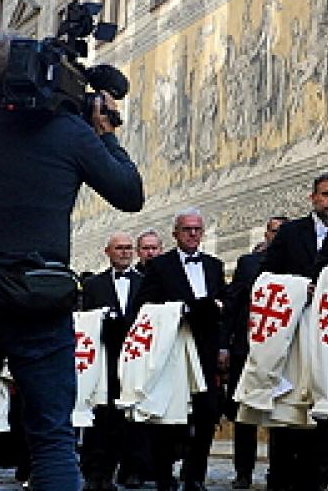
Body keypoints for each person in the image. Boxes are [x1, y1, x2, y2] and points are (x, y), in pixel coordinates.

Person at [0, 36, 144, 491]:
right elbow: (129, 192)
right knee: (51, 437)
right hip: (36, 290)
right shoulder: (70, 133)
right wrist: (105, 135)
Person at [263, 176, 328, 490]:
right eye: (326, 195)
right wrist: (300, 289)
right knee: (290, 409)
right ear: (313, 198)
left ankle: (324, 477)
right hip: (295, 329)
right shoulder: (290, 232)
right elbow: (268, 275)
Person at [134, 210, 228, 491]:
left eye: (197, 229)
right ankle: (164, 475)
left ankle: (195, 475)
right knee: (169, 415)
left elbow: (224, 304)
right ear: (175, 233)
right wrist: (181, 311)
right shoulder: (159, 266)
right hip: (174, 349)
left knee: (207, 414)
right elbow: (145, 306)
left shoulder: (214, 265)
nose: (192, 234)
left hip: (206, 349)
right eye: (186, 229)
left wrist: (222, 344)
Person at [79, 233, 143, 491]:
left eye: (129, 248)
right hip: (104, 359)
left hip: (135, 359)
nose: (125, 252)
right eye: (120, 248)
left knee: (126, 419)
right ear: (108, 251)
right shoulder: (94, 284)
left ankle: (122, 470)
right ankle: (96, 474)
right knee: (101, 418)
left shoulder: (145, 282)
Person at [224, 217, 283, 491]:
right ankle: (243, 471)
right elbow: (234, 302)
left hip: (281, 347)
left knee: (281, 412)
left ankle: (278, 471)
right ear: (266, 234)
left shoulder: (295, 262)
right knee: (244, 413)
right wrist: (225, 343)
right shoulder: (248, 263)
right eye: (274, 231)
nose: (278, 236)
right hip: (246, 347)